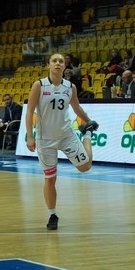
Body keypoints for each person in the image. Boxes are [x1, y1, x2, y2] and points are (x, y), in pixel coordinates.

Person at [25, 52, 98, 231]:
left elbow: (76, 106)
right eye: (54, 61)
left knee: (85, 167)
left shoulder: (70, 87)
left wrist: (87, 121)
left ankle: (87, 134)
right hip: (45, 139)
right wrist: (30, 136)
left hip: (66, 135)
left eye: (61, 61)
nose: (58, 64)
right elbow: (29, 111)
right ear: (48, 65)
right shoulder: (39, 85)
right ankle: (52, 214)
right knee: (50, 179)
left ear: (65, 66)